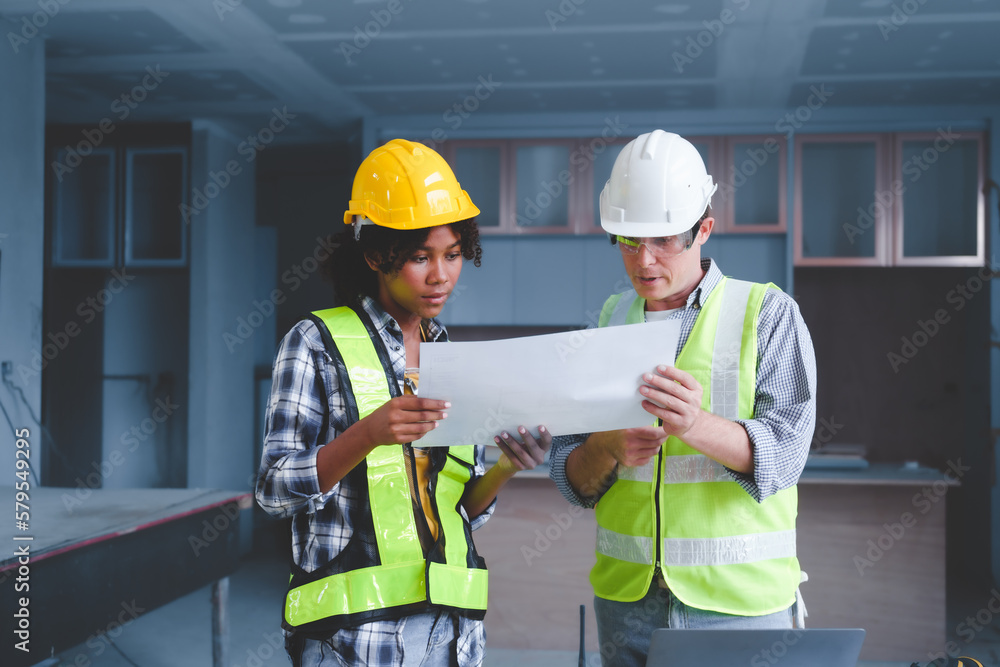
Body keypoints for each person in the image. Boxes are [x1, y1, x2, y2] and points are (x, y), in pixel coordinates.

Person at [256, 138, 550, 667]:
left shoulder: (451, 359)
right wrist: (366, 434)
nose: (441, 275)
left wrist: (507, 466)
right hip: (352, 639)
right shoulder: (316, 343)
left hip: (452, 633)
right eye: (420, 257)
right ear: (375, 254)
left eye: (453, 255)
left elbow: (459, 511)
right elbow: (275, 492)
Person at [548, 130, 816, 667]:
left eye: (664, 238)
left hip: (739, 607)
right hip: (627, 602)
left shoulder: (766, 313)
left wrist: (695, 425)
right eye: (627, 239)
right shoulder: (610, 320)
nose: (643, 260)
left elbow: (785, 458)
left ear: (703, 230)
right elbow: (572, 478)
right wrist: (606, 447)